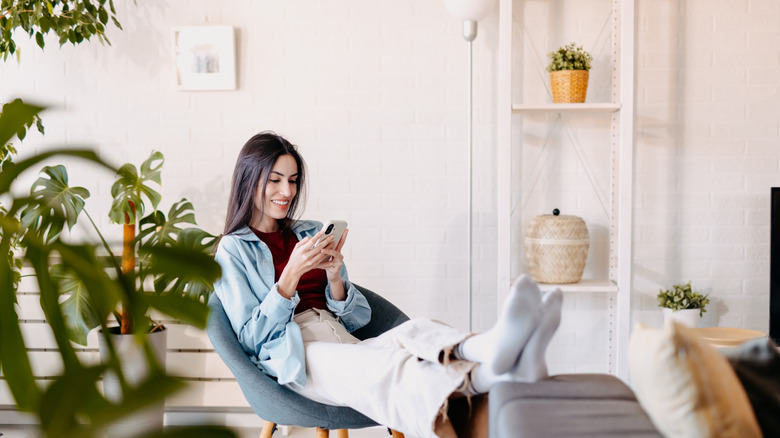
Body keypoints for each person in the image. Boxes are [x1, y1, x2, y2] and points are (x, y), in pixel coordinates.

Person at [213, 132, 563, 438]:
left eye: (292, 180)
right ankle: (489, 377)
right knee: (388, 368)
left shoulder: (308, 231)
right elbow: (250, 339)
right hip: (292, 353)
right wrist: (290, 277)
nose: (286, 191)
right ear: (249, 179)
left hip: (336, 333)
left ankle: (490, 353)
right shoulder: (232, 249)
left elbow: (355, 320)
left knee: (413, 333)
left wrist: (335, 277)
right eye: (275, 180)